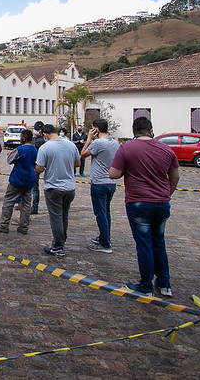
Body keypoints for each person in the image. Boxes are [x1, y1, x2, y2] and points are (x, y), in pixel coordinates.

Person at [109, 117, 179, 297]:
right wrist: (167, 194)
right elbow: (175, 176)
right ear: (151, 130)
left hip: (138, 202)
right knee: (159, 241)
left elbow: (113, 174)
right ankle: (164, 283)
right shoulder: (166, 149)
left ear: (134, 131)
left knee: (144, 243)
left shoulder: (127, 148)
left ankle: (146, 284)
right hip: (162, 202)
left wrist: (127, 169)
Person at [35, 124, 80, 257]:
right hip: (69, 187)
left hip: (53, 186)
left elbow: (39, 168)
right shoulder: (70, 145)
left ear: (44, 134)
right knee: (64, 216)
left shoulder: (45, 147)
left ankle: (58, 246)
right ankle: (61, 242)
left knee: (56, 218)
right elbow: (77, 163)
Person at [81, 118, 120, 253]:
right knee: (106, 212)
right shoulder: (115, 142)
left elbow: (83, 154)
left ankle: (105, 243)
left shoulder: (98, 143)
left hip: (99, 182)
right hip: (111, 182)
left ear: (96, 129)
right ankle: (105, 236)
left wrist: (88, 139)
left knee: (100, 213)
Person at [0, 129, 38, 235]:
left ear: (24, 138)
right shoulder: (34, 149)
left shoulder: (20, 149)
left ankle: (4, 225)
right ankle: (24, 226)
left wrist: (13, 156)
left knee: (8, 201)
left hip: (18, 178)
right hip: (29, 179)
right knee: (26, 204)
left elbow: (9, 160)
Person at [30, 121, 46, 214]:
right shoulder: (39, 139)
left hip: (36, 165)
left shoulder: (39, 141)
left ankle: (34, 207)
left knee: (34, 188)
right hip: (36, 164)